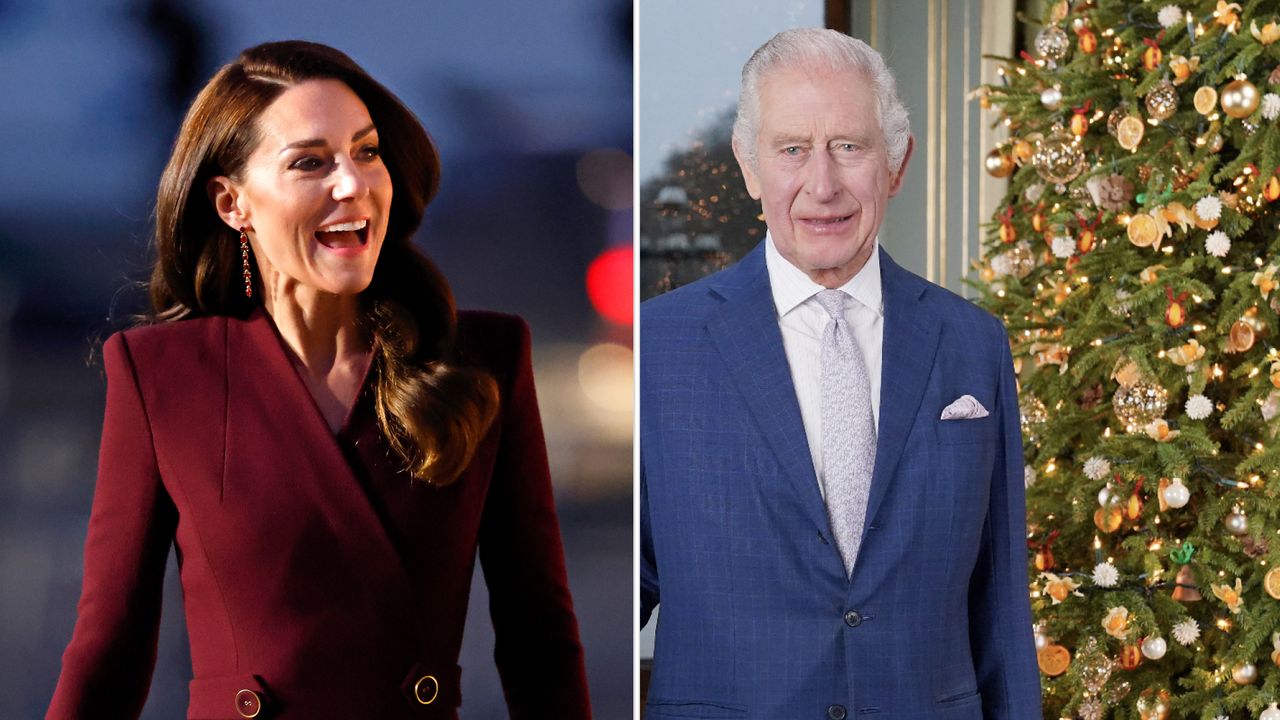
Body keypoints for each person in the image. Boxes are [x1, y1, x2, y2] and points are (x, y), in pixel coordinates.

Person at [47, 41, 591, 720]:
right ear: (231, 202)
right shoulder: (160, 374)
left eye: (366, 152)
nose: (352, 183)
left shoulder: (482, 359)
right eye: (310, 162)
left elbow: (539, 640)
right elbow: (110, 648)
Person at [639, 28, 1040, 718]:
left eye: (849, 148)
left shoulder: (973, 345)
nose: (822, 185)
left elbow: (1000, 610)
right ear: (748, 165)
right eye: (792, 149)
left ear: (897, 162)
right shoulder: (659, 348)